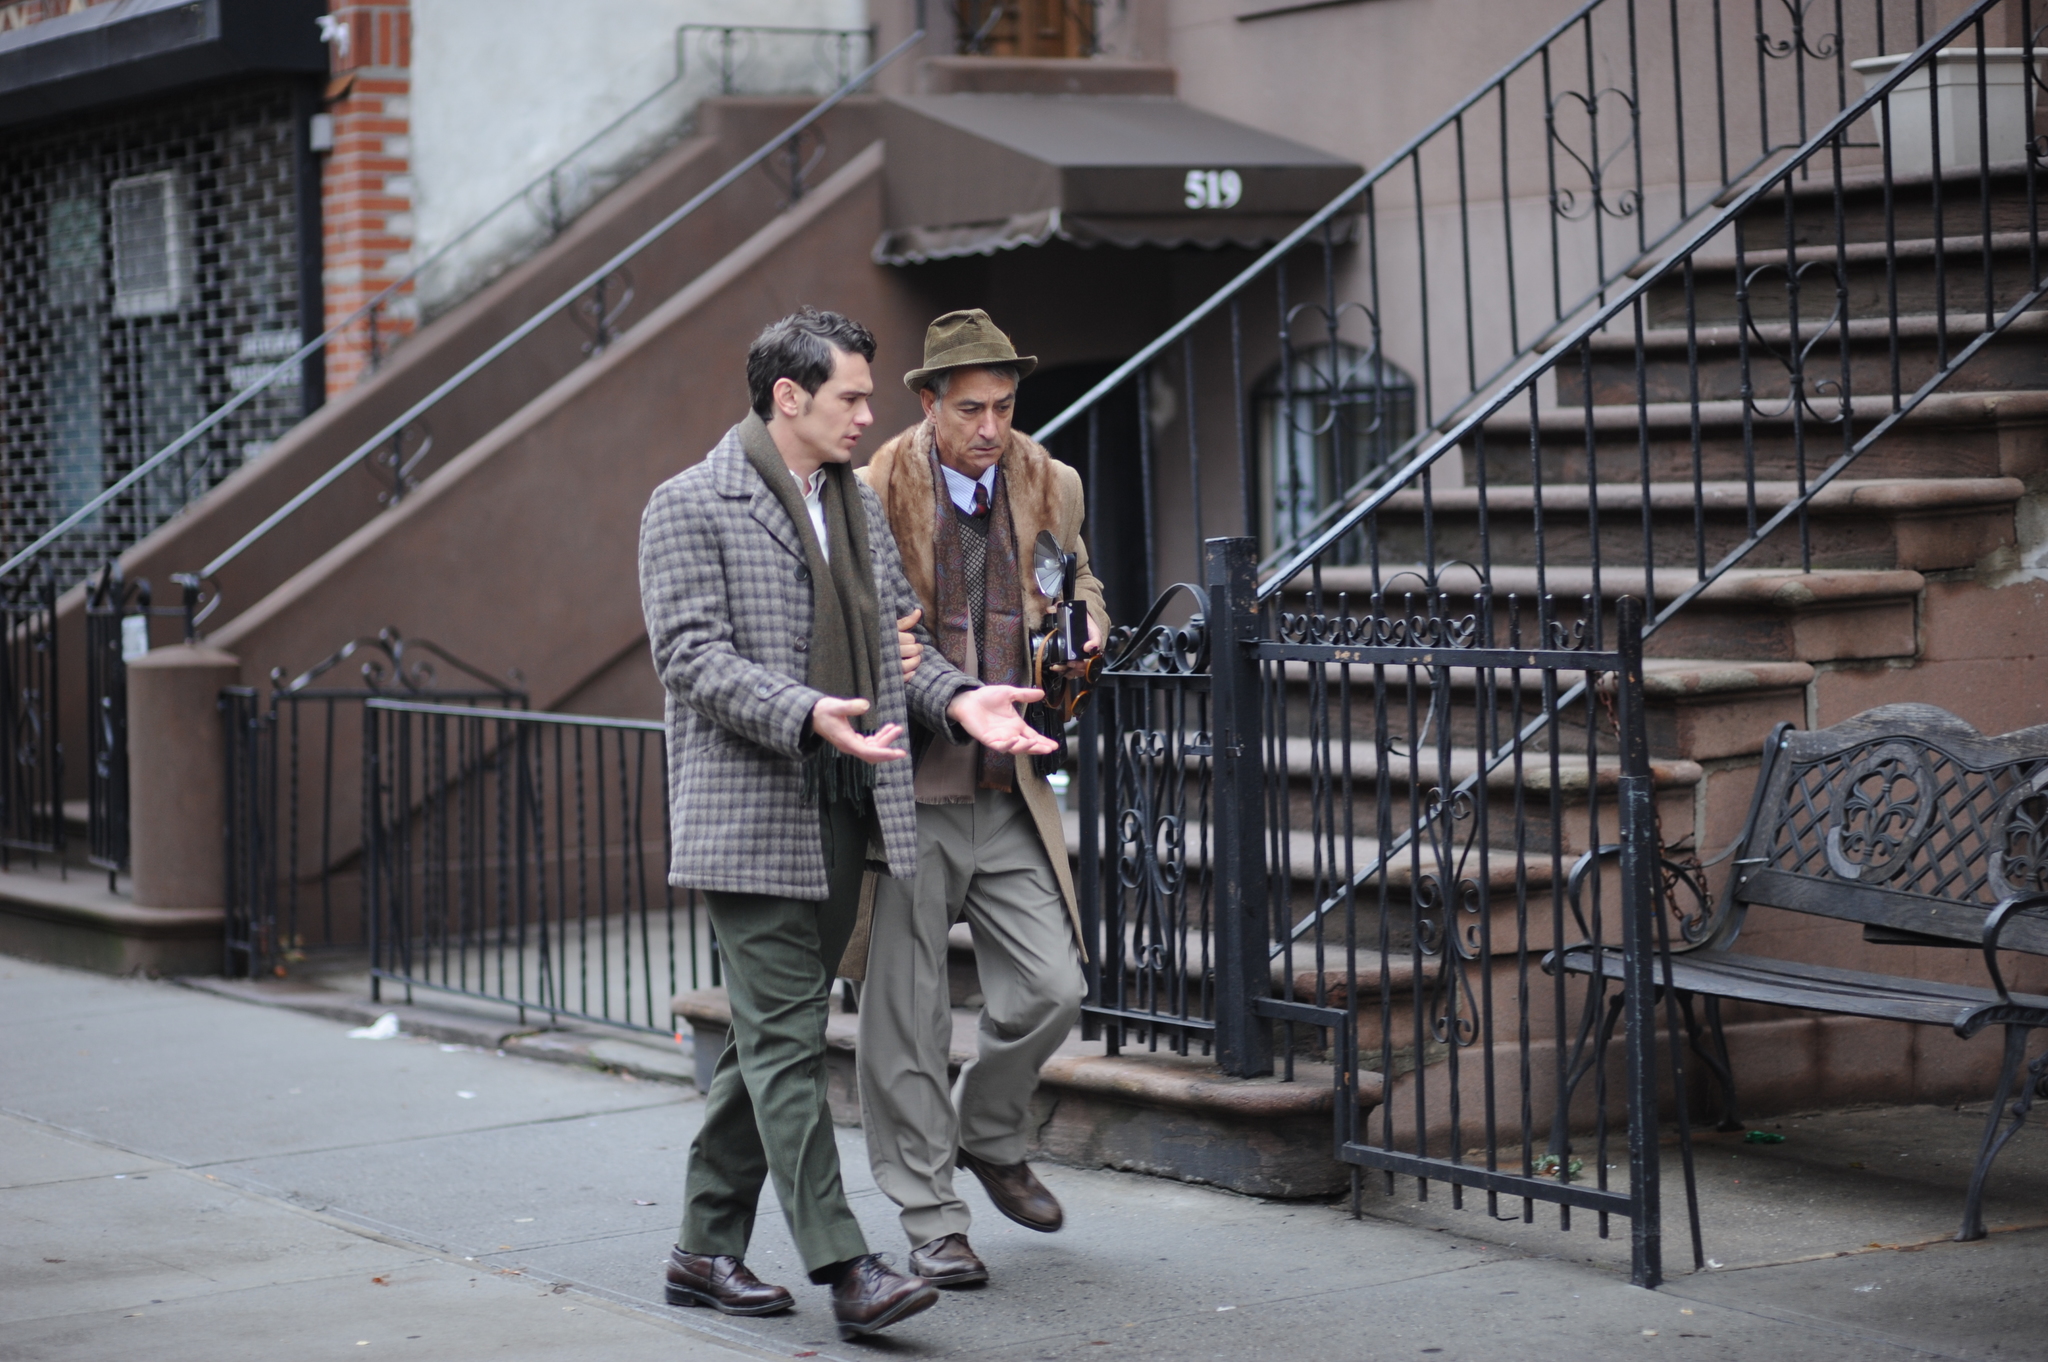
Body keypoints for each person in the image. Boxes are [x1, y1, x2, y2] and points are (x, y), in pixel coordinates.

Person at [638, 308, 1059, 1339]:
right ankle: (845, 1264)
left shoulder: (848, 507)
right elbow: (689, 656)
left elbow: (897, 653)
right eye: (852, 398)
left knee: (763, 1039)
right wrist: (805, 711)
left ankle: (701, 1249)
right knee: (786, 1042)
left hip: (847, 804)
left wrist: (962, 702)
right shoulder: (689, 504)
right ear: (788, 396)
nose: (872, 416)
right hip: (751, 810)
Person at [850, 309, 1108, 1287]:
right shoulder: (873, 486)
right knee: (905, 1020)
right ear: (928, 404)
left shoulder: (1051, 482)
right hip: (906, 787)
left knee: (1053, 988)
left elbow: (1078, 582)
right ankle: (930, 1217)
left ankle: (989, 1133)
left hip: (1007, 788)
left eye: (1003, 406)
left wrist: (1085, 628)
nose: (991, 426)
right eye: (970, 408)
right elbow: (874, 632)